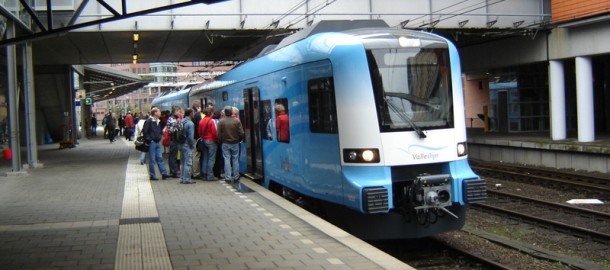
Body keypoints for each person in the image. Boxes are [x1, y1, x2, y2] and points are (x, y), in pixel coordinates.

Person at [217, 106, 244, 183]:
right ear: (231, 113)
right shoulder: (237, 121)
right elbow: (241, 133)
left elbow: (218, 133)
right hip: (235, 142)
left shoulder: (221, 121)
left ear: (225, 113)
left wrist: (221, 140)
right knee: (235, 159)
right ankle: (236, 176)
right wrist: (239, 139)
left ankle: (228, 177)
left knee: (226, 159)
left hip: (225, 143)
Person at [142, 108, 169, 181]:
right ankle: (152, 175)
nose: (160, 113)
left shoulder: (158, 121)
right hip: (152, 142)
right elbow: (145, 132)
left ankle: (164, 173)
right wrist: (150, 140)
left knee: (159, 158)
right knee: (152, 159)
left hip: (157, 142)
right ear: (155, 113)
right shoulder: (149, 121)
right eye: (159, 111)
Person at [199, 107, 218, 181]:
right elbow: (214, 132)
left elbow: (199, 132)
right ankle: (210, 175)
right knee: (211, 158)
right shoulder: (212, 121)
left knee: (205, 157)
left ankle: (204, 174)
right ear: (211, 113)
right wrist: (217, 140)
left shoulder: (201, 121)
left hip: (204, 141)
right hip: (211, 141)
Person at [179, 108, 196, 184]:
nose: (194, 114)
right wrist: (192, 146)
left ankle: (182, 178)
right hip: (187, 145)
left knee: (182, 162)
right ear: (190, 114)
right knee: (188, 162)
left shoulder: (182, 121)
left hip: (181, 144)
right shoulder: (190, 124)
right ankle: (186, 179)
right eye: (193, 113)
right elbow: (190, 137)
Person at [166, 106, 182, 178]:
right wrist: (178, 123)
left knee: (174, 156)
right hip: (174, 140)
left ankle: (174, 171)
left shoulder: (174, 118)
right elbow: (171, 130)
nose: (179, 113)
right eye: (178, 111)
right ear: (175, 111)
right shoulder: (171, 119)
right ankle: (173, 172)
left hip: (176, 140)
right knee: (173, 156)